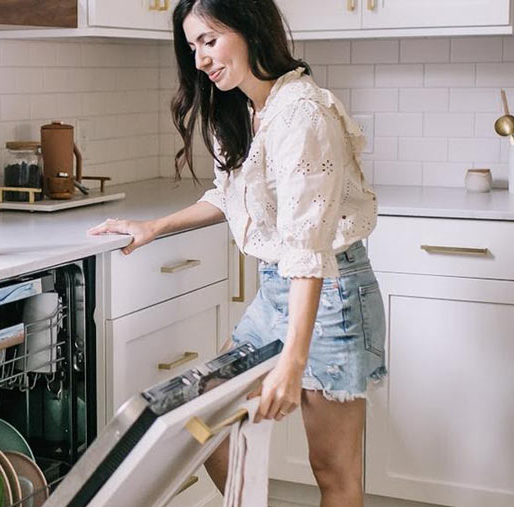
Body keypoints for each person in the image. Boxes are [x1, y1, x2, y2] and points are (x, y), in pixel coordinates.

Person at [88, 1, 387, 506]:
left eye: (209, 40)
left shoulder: (302, 113)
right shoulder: (251, 108)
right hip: (279, 289)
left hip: (330, 293)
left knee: (333, 470)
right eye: (192, 47)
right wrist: (154, 227)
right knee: (203, 419)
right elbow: (231, 197)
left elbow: (309, 249)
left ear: (250, 29)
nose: (201, 60)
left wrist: (292, 362)